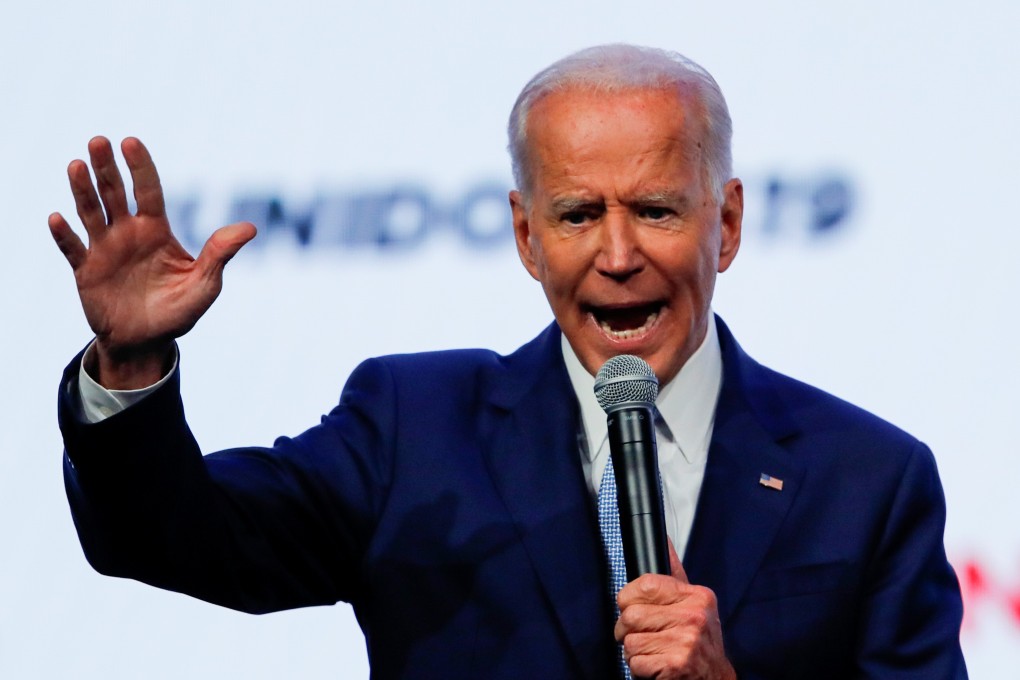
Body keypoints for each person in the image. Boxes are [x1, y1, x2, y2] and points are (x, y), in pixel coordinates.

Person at [50, 44, 967, 679]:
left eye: (655, 209)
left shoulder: (868, 480)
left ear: (723, 224)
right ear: (528, 236)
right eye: (576, 216)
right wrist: (129, 365)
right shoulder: (414, 426)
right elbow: (173, 536)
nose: (616, 255)